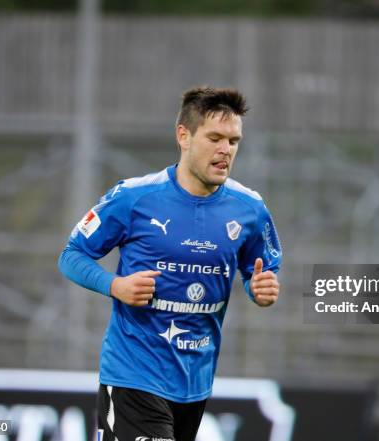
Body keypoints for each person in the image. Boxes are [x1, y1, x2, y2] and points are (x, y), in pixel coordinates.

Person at [58, 86, 282, 441]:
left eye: (234, 140)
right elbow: (71, 256)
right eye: (215, 138)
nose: (225, 150)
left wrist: (261, 290)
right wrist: (115, 285)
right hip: (134, 374)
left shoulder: (250, 208)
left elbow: (261, 272)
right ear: (184, 136)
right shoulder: (133, 197)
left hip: (195, 383)